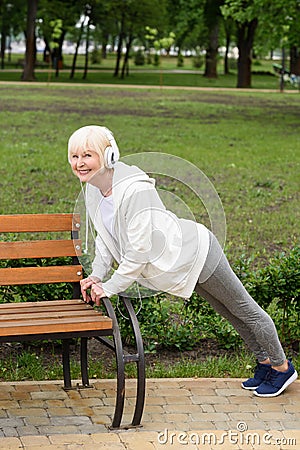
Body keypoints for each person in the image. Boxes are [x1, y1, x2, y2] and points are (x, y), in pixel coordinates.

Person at [68, 124, 297, 398]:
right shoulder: (93, 190)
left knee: (244, 309)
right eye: (74, 156)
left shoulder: (134, 190)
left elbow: (138, 251)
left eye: (87, 156)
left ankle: (282, 367)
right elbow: (106, 239)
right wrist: (97, 275)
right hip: (179, 265)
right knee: (229, 312)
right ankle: (265, 364)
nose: (80, 163)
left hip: (197, 253)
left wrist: (112, 286)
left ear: (109, 156)